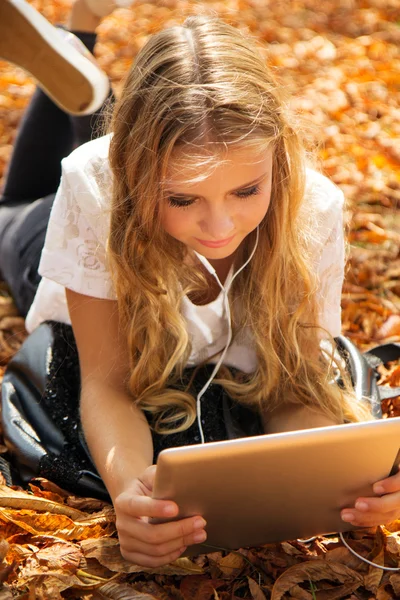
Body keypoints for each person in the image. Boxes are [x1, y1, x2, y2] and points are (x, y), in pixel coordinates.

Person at [1, 0, 400, 569]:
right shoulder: (96, 186)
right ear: (139, 181)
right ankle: (82, 46)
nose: (220, 228)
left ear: (278, 158)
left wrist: (342, 483)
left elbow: (292, 386)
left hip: (127, 160)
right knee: (13, 213)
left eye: (245, 191)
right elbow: (107, 383)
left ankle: (88, 79)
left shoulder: (312, 206)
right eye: (182, 198)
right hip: (65, 233)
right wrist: (130, 496)